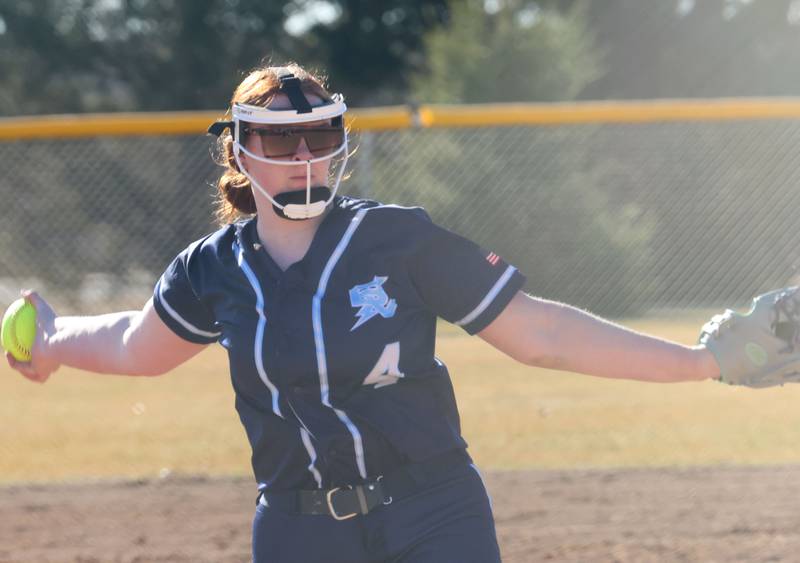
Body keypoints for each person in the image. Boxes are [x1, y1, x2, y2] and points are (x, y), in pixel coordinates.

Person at [5, 63, 722, 563]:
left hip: (434, 510)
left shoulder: (398, 239)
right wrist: (55, 338)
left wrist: (700, 362)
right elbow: (137, 345)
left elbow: (540, 333)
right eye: (282, 139)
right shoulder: (213, 268)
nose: (305, 155)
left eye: (321, 134)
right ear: (239, 149)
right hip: (297, 527)